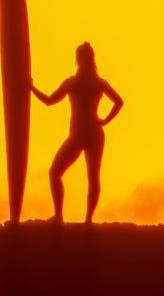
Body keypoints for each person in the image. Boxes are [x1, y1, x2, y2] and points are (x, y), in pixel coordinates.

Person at [31, 42, 123, 224]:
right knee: (92, 176)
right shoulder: (98, 83)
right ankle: (87, 219)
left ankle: (60, 216)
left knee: (56, 172)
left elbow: (49, 101)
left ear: (77, 59)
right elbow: (119, 102)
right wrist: (104, 120)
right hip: (95, 133)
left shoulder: (73, 82)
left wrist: (31, 88)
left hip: (80, 134)